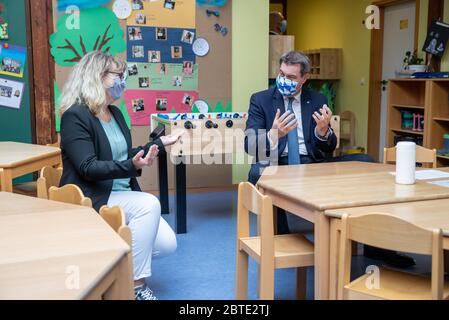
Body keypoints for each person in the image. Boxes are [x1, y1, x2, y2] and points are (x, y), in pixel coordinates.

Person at [244, 50, 415, 269]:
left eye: (292, 77)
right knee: (259, 170)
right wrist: (273, 134)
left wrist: (323, 131)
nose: (284, 80)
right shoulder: (261, 99)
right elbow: (250, 145)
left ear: (305, 78)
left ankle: (376, 245)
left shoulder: (317, 99)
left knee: (366, 160)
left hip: (312, 163)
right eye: (281, 74)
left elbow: (328, 147)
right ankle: (281, 243)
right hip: (279, 162)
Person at [58, 51, 184, 300]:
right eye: (118, 75)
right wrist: (129, 165)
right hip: (94, 195)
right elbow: (88, 167)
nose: (122, 80)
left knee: (167, 244)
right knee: (149, 204)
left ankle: (111, 268)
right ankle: (135, 287)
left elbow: (126, 155)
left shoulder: (114, 113)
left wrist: (159, 143)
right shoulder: (76, 116)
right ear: (98, 76)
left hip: (122, 195)